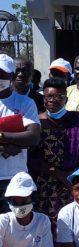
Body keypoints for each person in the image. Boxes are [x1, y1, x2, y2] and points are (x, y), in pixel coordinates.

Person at [28, 77, 79, 245]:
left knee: (71, 224)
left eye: (58, 96)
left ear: (66, 99)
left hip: (71, 184)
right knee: (45, 225)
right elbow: (31, 156)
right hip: (43, 185)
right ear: (43, 98)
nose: (52, 100)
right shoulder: (36, 122)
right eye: (48, 97)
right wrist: (56, 173)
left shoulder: (77, 123)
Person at [0, 54, 41, 212]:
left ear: (11, 76)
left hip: (14, 176)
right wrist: (4, 147)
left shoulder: (25, 103)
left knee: (14, 227)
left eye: (2, 74)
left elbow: (33, 136)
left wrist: (2, 136)